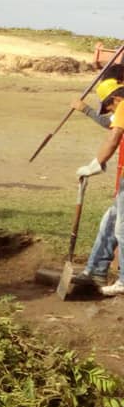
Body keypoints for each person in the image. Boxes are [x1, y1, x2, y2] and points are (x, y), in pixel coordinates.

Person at [75, 82, 124, 295]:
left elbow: (113, 138)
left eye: (110, 108)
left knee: (122, 229)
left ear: (114, 100)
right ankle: (95, 271)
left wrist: (95, 164)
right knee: (110, 221)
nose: (111, 113)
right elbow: (110, 124)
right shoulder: (120, 107)